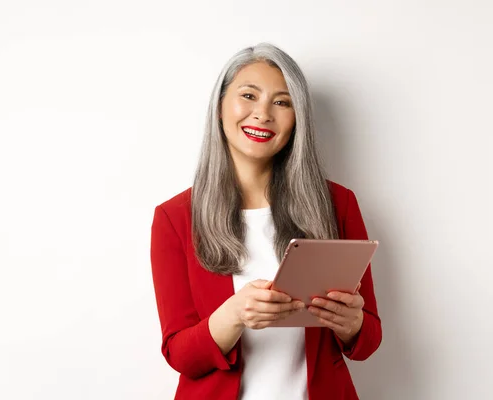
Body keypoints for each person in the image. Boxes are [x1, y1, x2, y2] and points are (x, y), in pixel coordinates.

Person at [150, 42, 382, 400]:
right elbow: (181, 355)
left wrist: (353, 325)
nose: (262, 114)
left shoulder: (338, 204)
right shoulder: (175, 217)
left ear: (297, 118)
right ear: (220, 108)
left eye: (282, 102)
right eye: (248, 95)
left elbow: (368, 341)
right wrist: (234, 314)